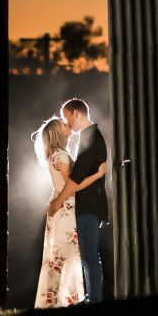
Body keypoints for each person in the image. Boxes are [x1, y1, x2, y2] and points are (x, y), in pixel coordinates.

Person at [54, 98, 109, 303]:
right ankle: (91, 298)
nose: (66, 123)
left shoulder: (90, 137)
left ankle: (93, 299)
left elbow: (77, 177)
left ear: (76, 113)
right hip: (91, 204)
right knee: (88, 255)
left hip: (89, 205)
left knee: (89, 255)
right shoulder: (90, 136)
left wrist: (59, 200)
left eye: (66, 117)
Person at [31, 115, 84, 308]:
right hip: (66, 208)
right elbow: (72, 184)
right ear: (57, 132)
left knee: (58, 255)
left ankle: (56, 300)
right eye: (63, 124)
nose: (66, 124)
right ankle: (66, 300)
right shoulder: (61, 155)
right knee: (68, 254)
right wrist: (96, 175)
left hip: (60, 208)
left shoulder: (55, 155)